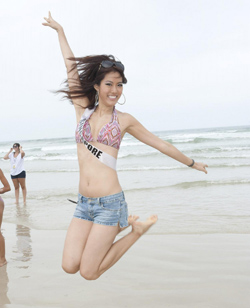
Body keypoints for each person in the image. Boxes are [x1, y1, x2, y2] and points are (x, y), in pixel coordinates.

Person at [43, 12, 208, 280]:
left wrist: (192, 163)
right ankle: (114, 229)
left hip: (110, 203)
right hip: (84, 204)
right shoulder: (82, 109)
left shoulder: (125, 120)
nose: (115, 90)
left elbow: (160, 144)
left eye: (119, 85)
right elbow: (70, 67)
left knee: (89, 272)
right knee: (69, 265)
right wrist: (60, 31)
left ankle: (135, 231)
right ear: (96, 86)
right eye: (109, 83)